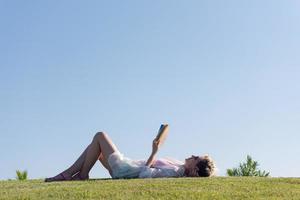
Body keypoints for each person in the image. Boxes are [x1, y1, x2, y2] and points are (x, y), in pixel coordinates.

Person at [45, 131, 216, 182]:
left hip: (125, 169)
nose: (192, 155)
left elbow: (144, 174)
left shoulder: (175, 171)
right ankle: (76, 174)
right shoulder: (178, 166)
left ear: (194, 169)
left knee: (100, 136)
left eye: (196, 157)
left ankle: (75, 174)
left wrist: (154, 152)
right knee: (94, 149)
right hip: (126, 168)